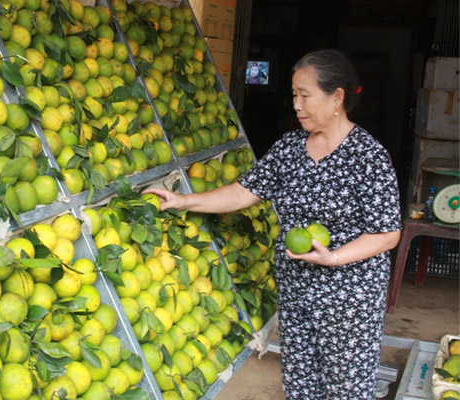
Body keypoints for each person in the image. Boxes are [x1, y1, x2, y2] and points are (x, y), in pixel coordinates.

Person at [145, 49, 402, 399]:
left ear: (337, 97)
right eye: (294, 94)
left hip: (348, 296)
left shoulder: (368, 157)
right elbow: (242, 193)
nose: (296, 104)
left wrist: (335, 258)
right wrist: (184, 200)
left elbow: (387, 233)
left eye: (305, 96)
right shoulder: (291, 147)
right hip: (296, 288)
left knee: (347, 388)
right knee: (300, 383)